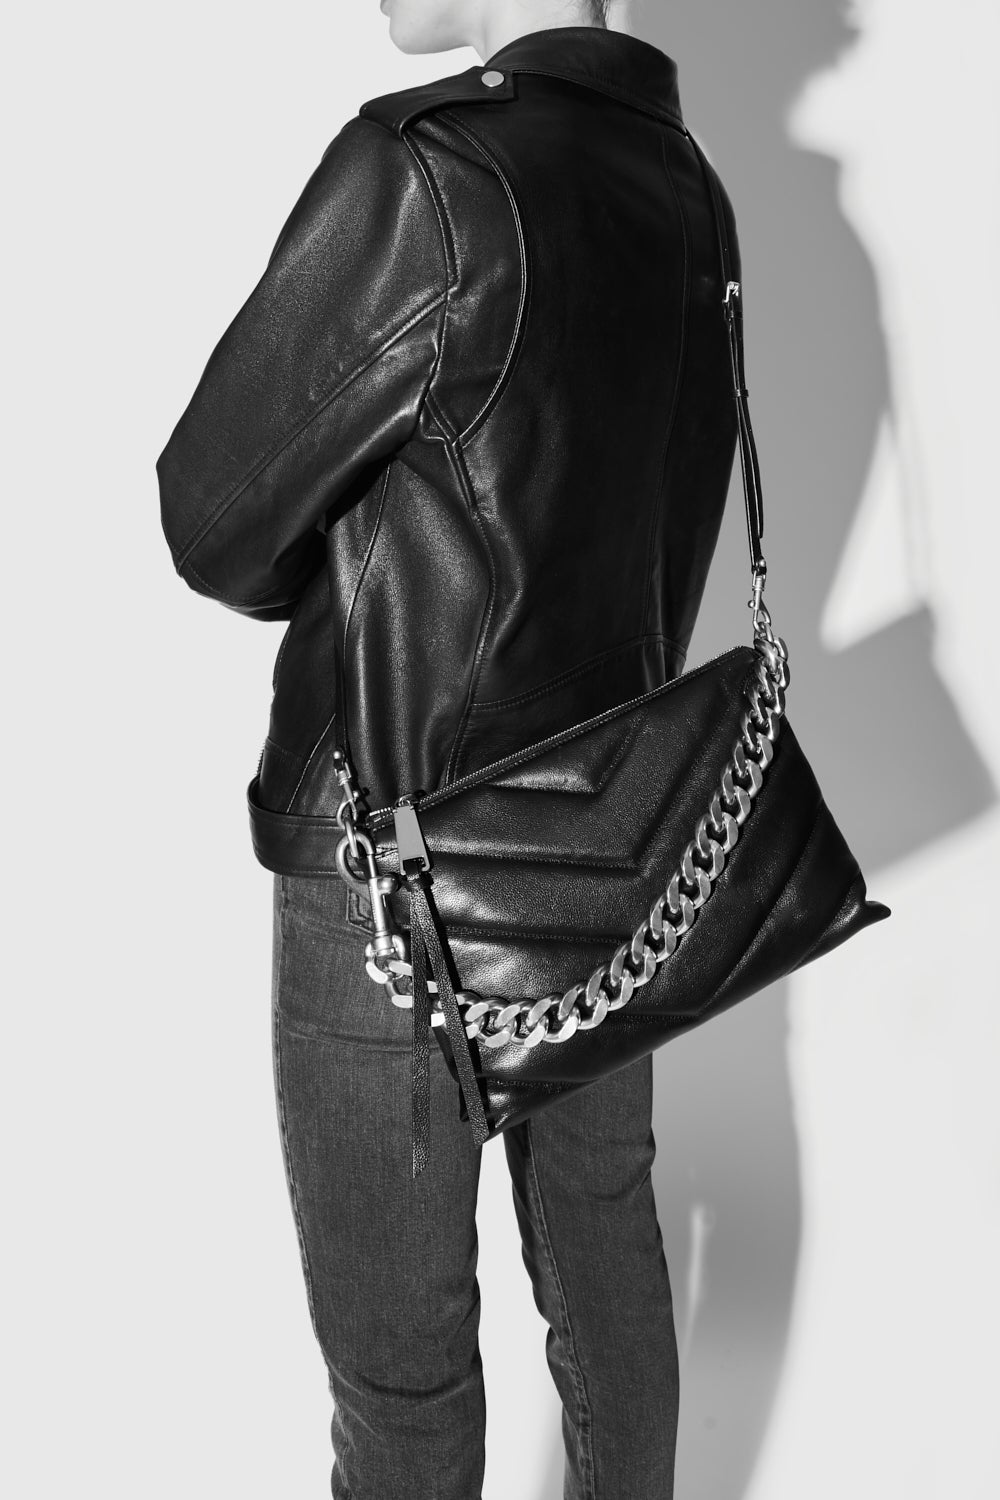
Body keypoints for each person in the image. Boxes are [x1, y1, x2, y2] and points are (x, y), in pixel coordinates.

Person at [157, 2, 743, 1495]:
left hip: (388, 854)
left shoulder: (424, 173)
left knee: (402, 1382)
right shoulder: (685, 185)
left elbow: (211, 518)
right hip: (616, 838)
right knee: (609, 1272)